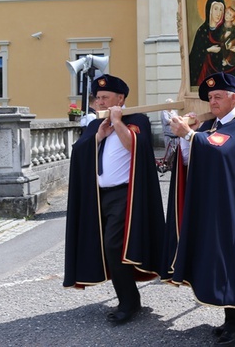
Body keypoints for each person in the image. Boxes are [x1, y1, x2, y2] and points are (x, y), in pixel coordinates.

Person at [163, 72, 235, 345]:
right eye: (210, 98)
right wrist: (185, 136)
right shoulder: (211, 125)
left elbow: (221, 152)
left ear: (233, 97)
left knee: (234, 260)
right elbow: (194, 157)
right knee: (221, 259)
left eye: (217, 97)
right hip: (217, 203)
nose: (212, 102)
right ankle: (233, 318)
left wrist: (190, 134)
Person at [63, 74, 165, 324]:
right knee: (105, 248)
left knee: (113, 246)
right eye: (97, 98)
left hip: (125, 195)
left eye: (105, 97)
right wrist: (98, 135)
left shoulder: (136, 118)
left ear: (120, 98)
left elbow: (135, 146)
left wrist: (117, 123)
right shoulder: (94, 125)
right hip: (98, 197)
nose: (99, 102)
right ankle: (128, 298)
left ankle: (129, 302)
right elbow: (78, 153)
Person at [189, 0, 226, 86]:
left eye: (221, 10)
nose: (218, 13)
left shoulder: (225, 30)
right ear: (209, 11)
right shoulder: (202, 31)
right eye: (216, 9)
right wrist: (208, 50)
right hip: (206, 73)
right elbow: (194, 57)